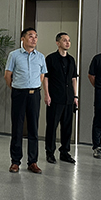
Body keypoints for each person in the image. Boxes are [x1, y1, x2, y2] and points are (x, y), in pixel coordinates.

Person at [5, 28, 47, 174]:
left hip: (34, 94)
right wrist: (17, 88)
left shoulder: (40, 57)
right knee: (17, 127)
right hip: (19, 94)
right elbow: (8, 75)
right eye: (30, 36)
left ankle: (33, 162)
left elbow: (42, 76)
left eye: (36, 36)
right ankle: (15, 162)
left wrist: (33, 85)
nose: (34, 39)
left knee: (33, 128)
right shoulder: (14, 55)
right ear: (22, 39)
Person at [43, 32, 78, 164]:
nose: (67, 43)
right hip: (55, 98)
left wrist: (75, 96)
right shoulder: (50, 59)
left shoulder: (71, 60)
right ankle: (50, 152)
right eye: (64, 40)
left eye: (69, 40)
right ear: (58, 43)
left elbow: (73, 78)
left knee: (67, 127)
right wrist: (47, 94)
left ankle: (65, 152)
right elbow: (46, 78)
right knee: (52, 126)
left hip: (69, 98)